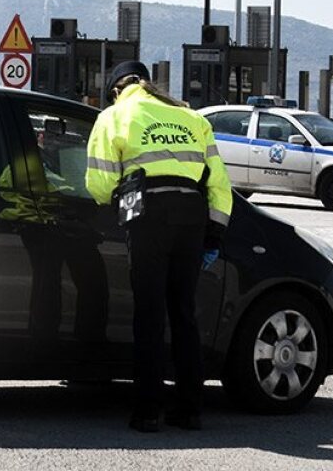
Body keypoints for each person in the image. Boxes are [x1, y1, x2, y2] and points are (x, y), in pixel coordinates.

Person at [85, 61, 232, 433]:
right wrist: (213, 233)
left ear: (118, 89)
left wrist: (115, 199)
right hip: (191, 215)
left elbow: (100, 186)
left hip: (148, 214)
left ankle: (149, 411)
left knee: (149, 316)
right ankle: (190, 410)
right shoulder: (190, 117)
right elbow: (219, 184)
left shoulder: (115, 115)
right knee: (184, 315)